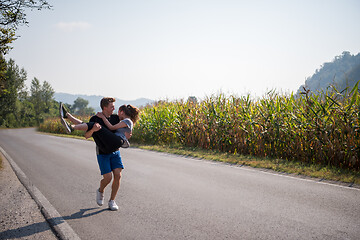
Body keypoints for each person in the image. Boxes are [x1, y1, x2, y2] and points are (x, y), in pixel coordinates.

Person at [59, 98, 139, 211]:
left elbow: (123, 127)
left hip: (115, 151)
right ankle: (100, 190)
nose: (114, 108)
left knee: (118, 175)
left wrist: (128, 134)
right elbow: (86, 136)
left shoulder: (116, 118)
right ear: (104, 107)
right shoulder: (96, 119)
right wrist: (93, 130)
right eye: (112, 106)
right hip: (103, 152)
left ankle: (112, 201)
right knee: (107, 178)